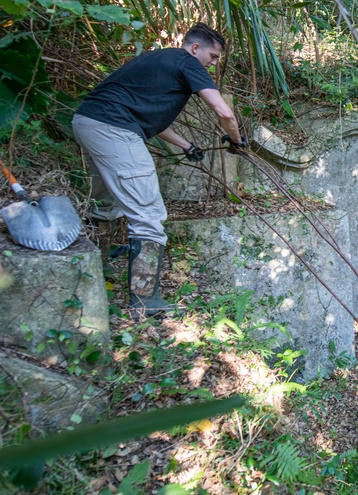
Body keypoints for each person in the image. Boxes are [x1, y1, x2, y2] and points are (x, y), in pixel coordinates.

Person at [72, 23, 246, 316]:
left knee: (104, 199)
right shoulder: (187, 62)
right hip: (114, 129)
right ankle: (143, 302)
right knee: (149, 213)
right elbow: (224, 112)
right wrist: (237, 141)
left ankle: (95, 267)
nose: (214, 64)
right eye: (213, 56)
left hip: (89, 122)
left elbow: (146, 115)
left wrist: (185, 144)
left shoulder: (158, 59)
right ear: (194, 48)